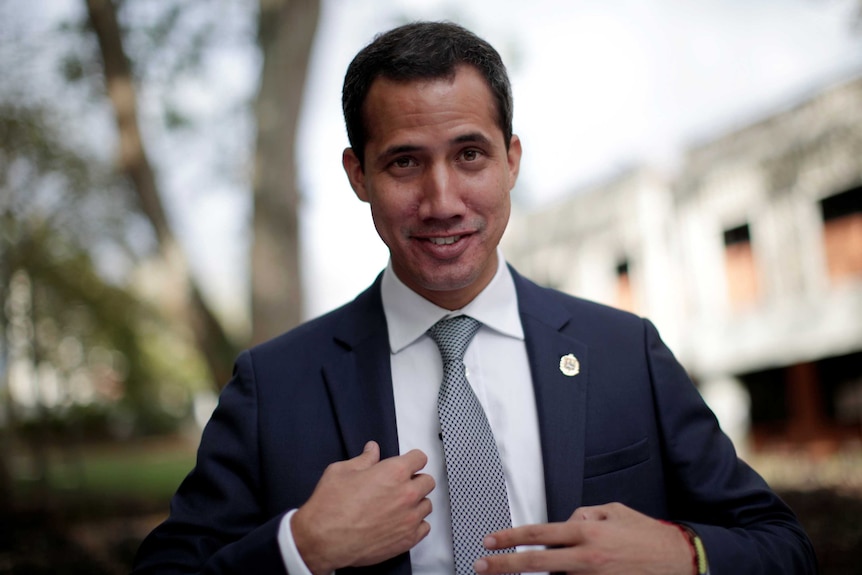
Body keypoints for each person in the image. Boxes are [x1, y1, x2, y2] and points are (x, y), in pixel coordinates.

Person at [132, 21, 817, 575]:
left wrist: (683, 554)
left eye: (470, 155)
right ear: (358, 174)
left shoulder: (625, 352)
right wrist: (301, 547)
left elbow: (782, 545)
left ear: (511, 159)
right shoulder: (273, 386)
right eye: (404, 162)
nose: (443, 200)